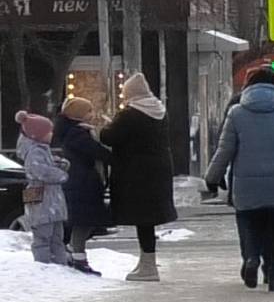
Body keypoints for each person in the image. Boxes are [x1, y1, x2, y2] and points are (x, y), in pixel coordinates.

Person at [204, 68, 274, 292]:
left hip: (246, 187)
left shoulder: (236, 113)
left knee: (249, 227)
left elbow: (225, 150)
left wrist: (213, 177)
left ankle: (251, 258)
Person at [102, 73, 179, 281]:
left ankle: (148, 266)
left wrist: (106, 126)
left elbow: (109, 137)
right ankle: (146, 262)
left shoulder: (129, 114)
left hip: (135, 173)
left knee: (142, 218)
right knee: (147, 219)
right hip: (158, 171)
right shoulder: (159, 110)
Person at [53, 97, 111, 276]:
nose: (92, 114)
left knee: (85, 222)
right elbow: (97, 152)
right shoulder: (77, 134)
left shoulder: (77, 131)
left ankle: (74, 253)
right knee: (83, 222)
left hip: (82, 182)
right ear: (78, 114)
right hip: (82, 184)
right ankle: (77, 257)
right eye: (88, 111)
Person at [15, 110, 72, 267]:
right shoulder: (34, 152)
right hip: (41, 198)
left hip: (49, 200)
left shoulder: (42, 149)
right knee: (43, 236)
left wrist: (59, 163)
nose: (52, 134)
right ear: (37, 135)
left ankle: (59, 264)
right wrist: (61, 174)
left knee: (56, 236)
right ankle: (44, 265)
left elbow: (46, 166)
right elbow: (40, 171)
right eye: (48, 132)